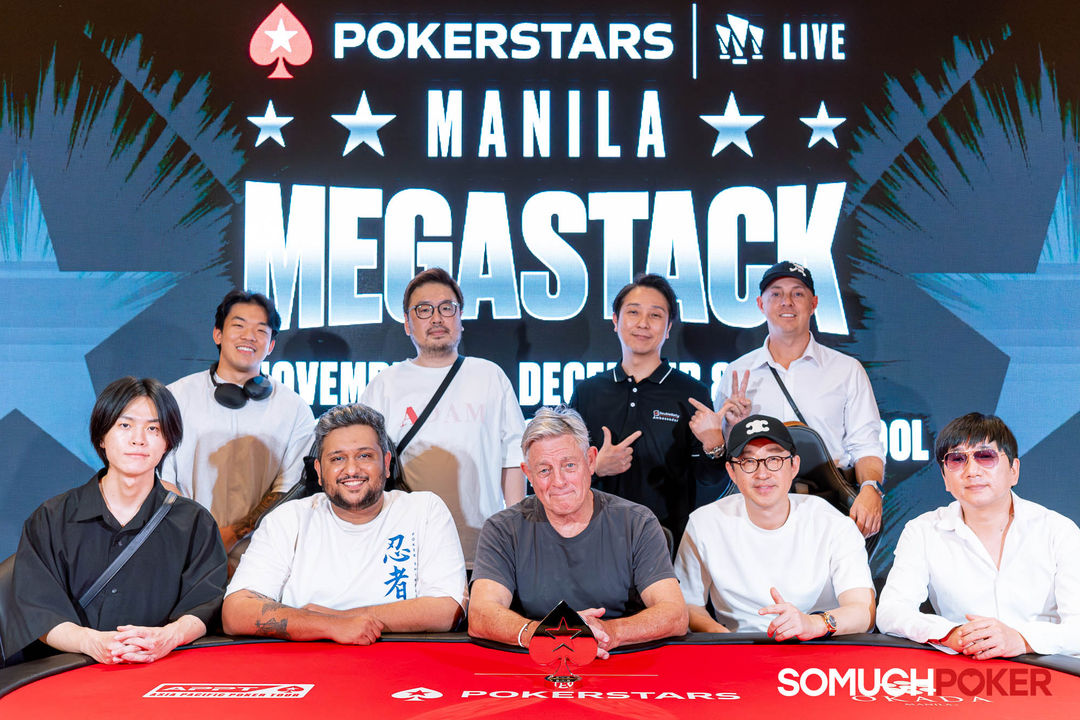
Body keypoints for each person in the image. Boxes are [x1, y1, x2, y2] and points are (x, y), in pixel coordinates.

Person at [1, 377, 226, 664]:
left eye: (153, 428)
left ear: (168, 441)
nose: (138, 439)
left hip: (162, 672)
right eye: (125, 425)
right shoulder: (50, 519)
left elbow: (205, 604)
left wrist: (167, 637)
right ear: (101, 437)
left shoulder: (195, 523)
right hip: (67, 672)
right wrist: (92, 642)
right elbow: (37, 612)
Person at [221, 403, 466, 644]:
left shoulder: (424, 510)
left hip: (402, 662)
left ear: (386, 462)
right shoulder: (287, 519)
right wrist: (329, 626)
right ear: (319, 471)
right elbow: (236, 612)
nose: (351, 469)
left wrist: (339, 617)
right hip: (308, 662)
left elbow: (447, 610)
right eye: (337, 458)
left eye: (364, 456)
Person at [468, 406, 687, 658]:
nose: (559, 481)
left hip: (620, 660)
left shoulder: (637, 523)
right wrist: (543, 633)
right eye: (544, 470)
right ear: (528, 474)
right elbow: (481, 614)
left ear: (591, 461)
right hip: (535, 661)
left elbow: (674, 613)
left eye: (569, 465)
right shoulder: (502, 529)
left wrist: (609, 632)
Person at [692, 261, 885, 537]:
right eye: (776, 294)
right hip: (756, 509)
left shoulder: (846, 370)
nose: (787, 302)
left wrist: (870, 489)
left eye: (798, 293)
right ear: (761, 304)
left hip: (828, 505)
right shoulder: (737, 372)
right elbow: (728, 459)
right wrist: (733, 428)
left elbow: (866, 444)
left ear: (813, 303)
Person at [876, 413, 1080, 658]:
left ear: (1013, 470)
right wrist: (950, 633)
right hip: (963, 670)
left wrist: (1021, 639)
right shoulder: (923, 531)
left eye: (985, 456)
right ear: (945, 478)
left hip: (1046, 671)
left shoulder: (1058, 531)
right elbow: (891, 612)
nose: (972, 471)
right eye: (957, 459)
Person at [361, 268, 525, 565]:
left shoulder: (489, 376)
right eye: (424, 310)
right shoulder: (384, 384)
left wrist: (516, 536)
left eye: (446, 308)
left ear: (460, 317)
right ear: (407, 324)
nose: (436, 318)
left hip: (482, 549)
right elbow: (367, 464)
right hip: (404, 550)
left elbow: (513, 458)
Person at [675, 414, 875, 640]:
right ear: (732, 472)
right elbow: (688, 605)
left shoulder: (833, 524)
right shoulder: (705, 523)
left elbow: (863, 611)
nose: (762, 474)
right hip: (736, 647)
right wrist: (724, 639)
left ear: (794, 466)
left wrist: (813, 623)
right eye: (748, 462)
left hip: (816, 646)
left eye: (774, 459)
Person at [162, 289, 315, 570]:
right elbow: (163, 480)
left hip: (263, 555)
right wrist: (202, 536)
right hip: (185, 548)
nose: (249, 336)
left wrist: (233, 534)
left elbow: (291, 487)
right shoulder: (175, 397)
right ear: (218, 334)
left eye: (261, 330)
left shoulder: (294, 409)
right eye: (239, 325)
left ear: (271, 345)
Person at [569, 274, 728, 543]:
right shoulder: (587, 392)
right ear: (615, 321)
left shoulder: (692, 393)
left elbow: (710, 483)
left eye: (655, 315)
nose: (643, 323)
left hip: (668, 541)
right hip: (594, 539)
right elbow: (563, 472)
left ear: (668, 328)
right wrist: (595, 467)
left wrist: (715, 444)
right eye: (633, 312)